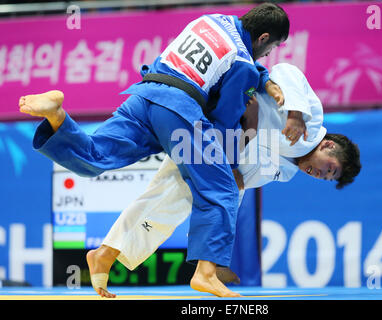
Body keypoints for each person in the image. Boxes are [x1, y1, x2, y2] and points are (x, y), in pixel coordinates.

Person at [18, 3, 293, 298]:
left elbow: (232, 57)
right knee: (222, 188)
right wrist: (226, 161)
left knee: (97, 155)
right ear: (263, 37)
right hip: (179, 111)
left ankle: (58, 117)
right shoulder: (244, 64)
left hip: (146, 93)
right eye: (271, 47)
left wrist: (262, 77)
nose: (267, 55)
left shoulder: (213, 20)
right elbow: (225, 119)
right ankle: (206, 274)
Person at [80, 63, 362, 298]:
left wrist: (249, 129)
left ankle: (113, 253)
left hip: (221, 144)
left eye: (326, 179)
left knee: (184, 196)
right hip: (211, 115)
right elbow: (287, 70)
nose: (321, 175)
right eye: (330, 170)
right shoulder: (311, 121)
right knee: (176, 196)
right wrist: (297, 113)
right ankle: (203, 266)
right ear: (327, 146)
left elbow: (241, 178)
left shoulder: (287, 171)